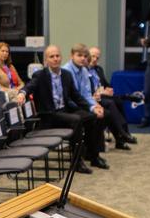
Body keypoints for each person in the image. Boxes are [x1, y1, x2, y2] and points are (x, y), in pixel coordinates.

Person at [26, 45, 105, 173]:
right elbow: (29, 86)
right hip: (49, 115)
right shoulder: (40, 75)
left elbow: (76, 97)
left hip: (64, 111)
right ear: (46, 60)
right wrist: (21, 93)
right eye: (52, 56)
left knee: (94, 117)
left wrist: (92, 107)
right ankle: (76, 162)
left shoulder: (66, 75)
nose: (55, 59)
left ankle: (92, 155)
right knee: (76, 120)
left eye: (57, 56)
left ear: (61, 57)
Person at [62, 43, 127, 150]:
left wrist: (95, 106)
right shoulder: (66, 71)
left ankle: (93, 148)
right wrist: (91, 107)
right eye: (79, 55)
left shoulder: (83, 70)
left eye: (84, 56)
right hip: (70, 107)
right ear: (72, 56)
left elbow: (86, 94)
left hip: (82, 104)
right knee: (93, 116)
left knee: (105, 114)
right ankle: (91, 150)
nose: (82, 58)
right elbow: (71, 98)